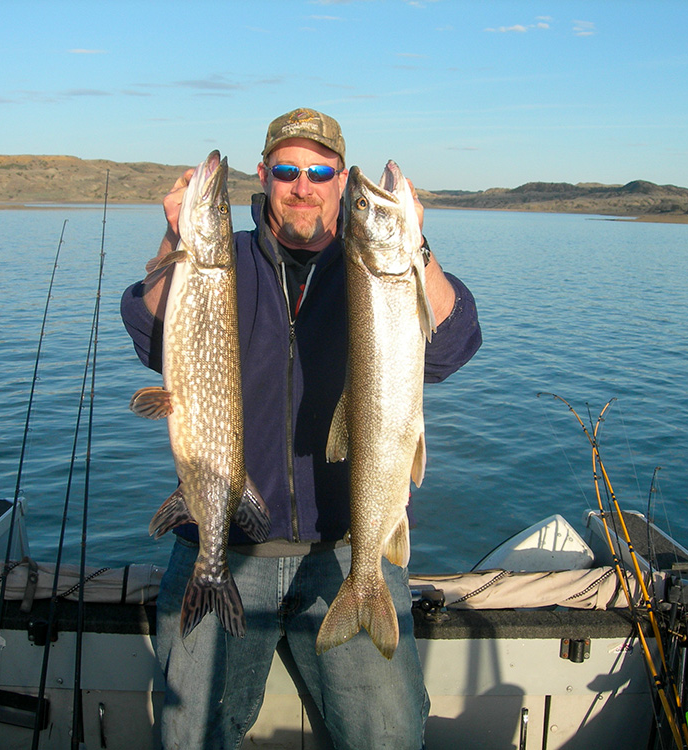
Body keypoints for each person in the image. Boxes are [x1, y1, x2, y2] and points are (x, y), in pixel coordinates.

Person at [121, 108, 482, 749]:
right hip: (226, 542)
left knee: (388, 738)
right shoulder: (220, 261)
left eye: (320, 172)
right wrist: (175, 241)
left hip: (347, 544)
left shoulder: (374, 266)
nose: (303, 186)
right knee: (190, 737)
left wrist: (415, 245)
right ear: (264, 177)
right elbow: (153, 338)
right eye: (288, 171)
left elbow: (452, 345)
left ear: (341, 181)